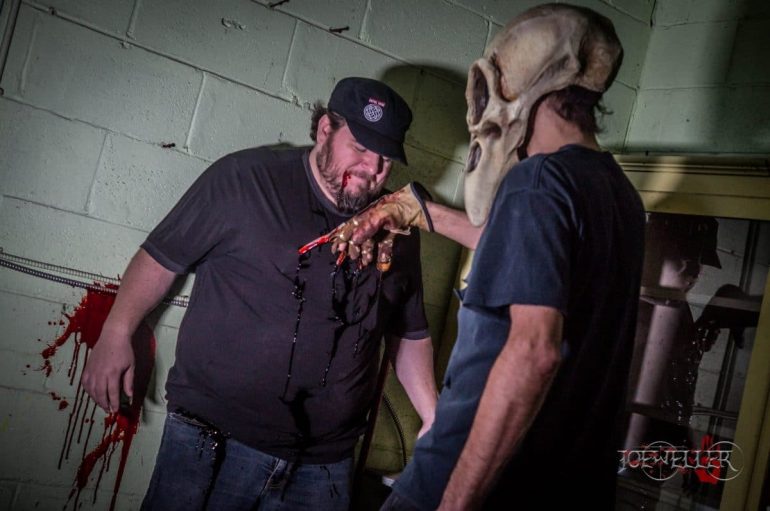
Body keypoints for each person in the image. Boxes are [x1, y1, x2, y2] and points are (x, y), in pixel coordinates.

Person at [319, 5, 646, 509]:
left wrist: (456, 500)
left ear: (520, 88)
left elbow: (533, 352)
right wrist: (421, 211)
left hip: (468, 480)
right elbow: (530, 254)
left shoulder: (536, 181)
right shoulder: (616, 193)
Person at [80, 77, 438, 510]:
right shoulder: (245, 179)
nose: (372, 169)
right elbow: (161, 257)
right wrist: (116, 332)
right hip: (213, 442)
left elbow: (408, 331)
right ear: (325, 129)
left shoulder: (395, 225)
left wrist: (433, 415)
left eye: (385, 158)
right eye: (360, 148)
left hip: (325, 465)